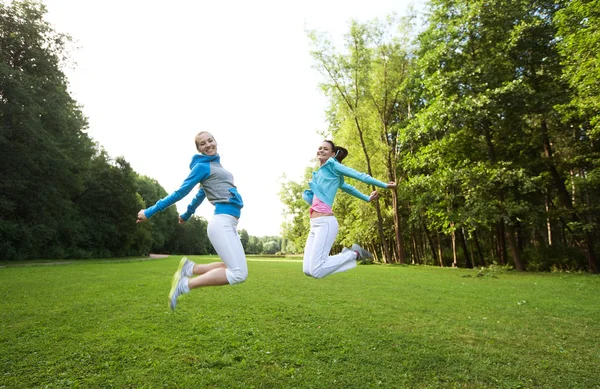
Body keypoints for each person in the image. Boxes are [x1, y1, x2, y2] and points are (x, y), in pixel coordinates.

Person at [136, 131, 247, 310]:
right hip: (222, 222)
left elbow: (201, 194)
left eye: (210, 140)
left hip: (230, 223)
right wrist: (149, 211)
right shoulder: (202, 167)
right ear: (199, 149)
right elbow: (180, 192)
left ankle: (190, 268)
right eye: (203, 144)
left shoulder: (216, 167)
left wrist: (187, 214)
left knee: (233, 266)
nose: (208, 145)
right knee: (238, 274)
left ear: (216, 141)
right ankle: (185, 285)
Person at [302, 140, 396, 279]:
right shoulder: (321, 173)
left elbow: (359, 175)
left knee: (316, 271)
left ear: (333, 154)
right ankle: (347, 254)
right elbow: (349, 188)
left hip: (325, 223)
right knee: (308, 270)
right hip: (314, 224)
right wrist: (367, 198)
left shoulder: (333, 166)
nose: (321, 150)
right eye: (320, 148)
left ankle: (354, 254)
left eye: (326, 149)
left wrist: (384, 185)